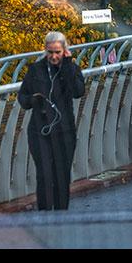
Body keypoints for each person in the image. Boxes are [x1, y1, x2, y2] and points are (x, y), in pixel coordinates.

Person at [16, 30, 85, 210]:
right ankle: (45, 216)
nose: (54, 56)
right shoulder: (35, 70)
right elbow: (22, 98)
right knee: (44, 175)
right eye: (50, 52)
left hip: (65, 131)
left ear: (65, 51)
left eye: (57, 52)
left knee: (62, 175)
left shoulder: (72, 69)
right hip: (40, 131)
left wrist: (68, 65)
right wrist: (33, 100)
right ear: (45, 51)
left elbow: (78, 92)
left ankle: (61, 215)